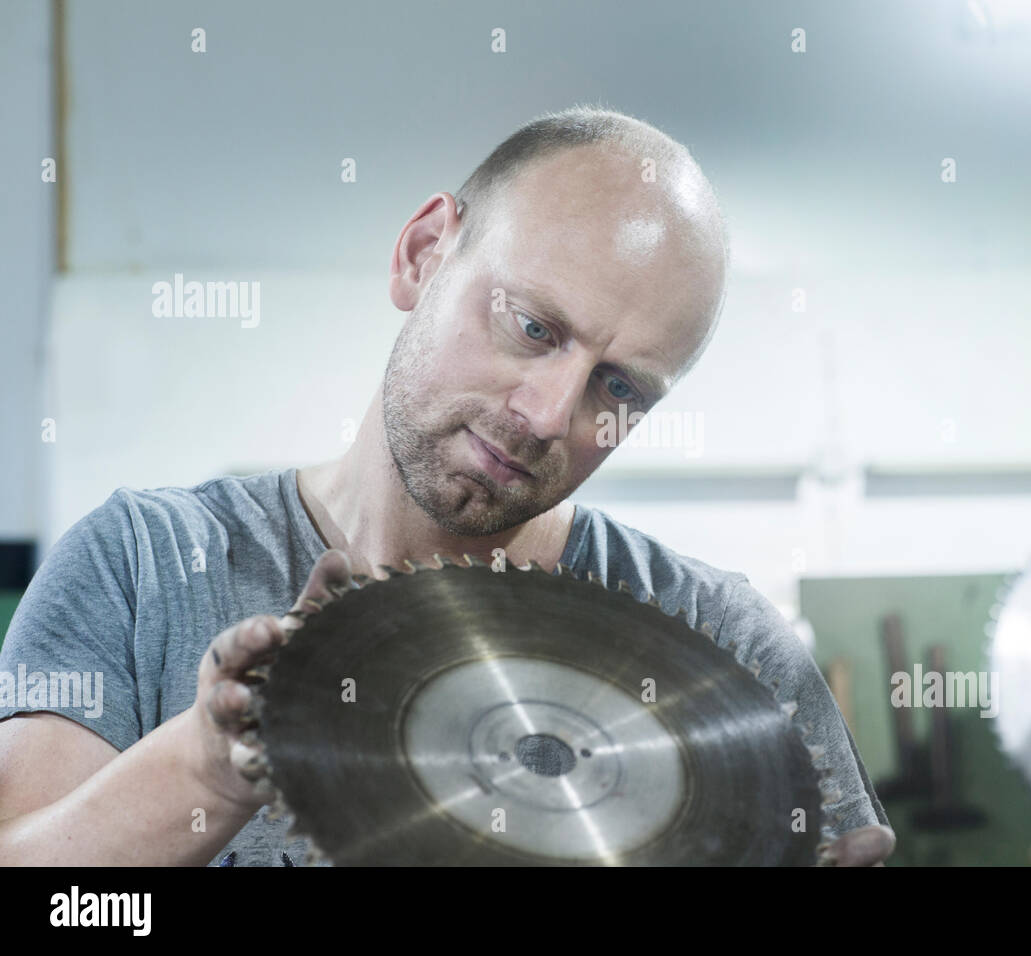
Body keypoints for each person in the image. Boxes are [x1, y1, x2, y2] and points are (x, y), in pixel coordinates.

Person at [0, 105, 894, 867]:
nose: (549, 415)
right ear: (424, 253)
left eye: (618, 388)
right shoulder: (143, 570)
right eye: (534, 328)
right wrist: (204, 768)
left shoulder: (728, 654)